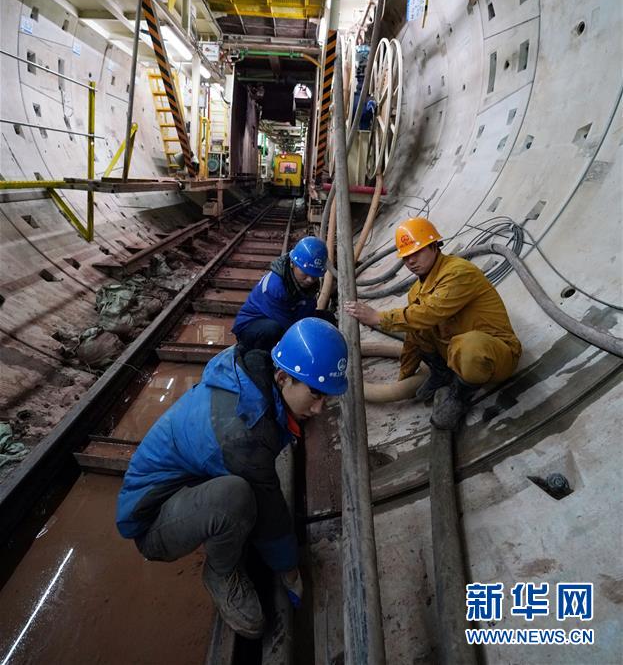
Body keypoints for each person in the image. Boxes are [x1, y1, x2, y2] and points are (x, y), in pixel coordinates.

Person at [116, 317, 348, 639]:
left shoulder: (253, 376)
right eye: (315, 395)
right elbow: (269, 508)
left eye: (326, 398)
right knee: (235, 498)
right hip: (151, 519)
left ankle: (219, 528)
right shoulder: (244, 432)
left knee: (244, 497)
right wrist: (289, 569)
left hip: (188, 482)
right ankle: (220, 573)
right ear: (283, 377)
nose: (320, 409)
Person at [344, 217, 521, 431]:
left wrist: (379, 318)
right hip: (453, 354)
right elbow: (413, 333)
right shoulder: (416, 291)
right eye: (406, 257)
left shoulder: (459, 272)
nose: (411, 261)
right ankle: (441, 373)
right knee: (416, 326)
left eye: (417, 252)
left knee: (469, 346)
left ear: (434, 246)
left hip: (495, 355)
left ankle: (459, 397)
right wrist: (405, 377)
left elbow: (429, 312)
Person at [232, 236, 332, 352]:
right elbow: (289, 328)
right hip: (251, 327)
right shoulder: (275, 286)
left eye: (314, 275)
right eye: (305, 273)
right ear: (293, 264)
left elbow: (308, 313)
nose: (310, 280)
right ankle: (262, 357)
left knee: (327, 319)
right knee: (273, 329)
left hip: (287, 318)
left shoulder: (307, 282)